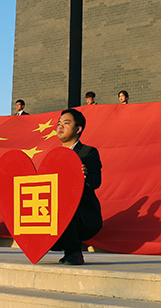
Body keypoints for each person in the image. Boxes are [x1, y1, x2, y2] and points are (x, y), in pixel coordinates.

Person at [51, 108, 102, 265]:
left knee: (65, 205)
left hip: (83, 213)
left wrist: (84, 176)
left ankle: (75, 252)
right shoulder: (54, 156)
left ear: (78, 129)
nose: (60, 126)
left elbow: (96, 181)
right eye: (59, 123)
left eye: (66, 123)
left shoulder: (88, 152)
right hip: (57, 212)